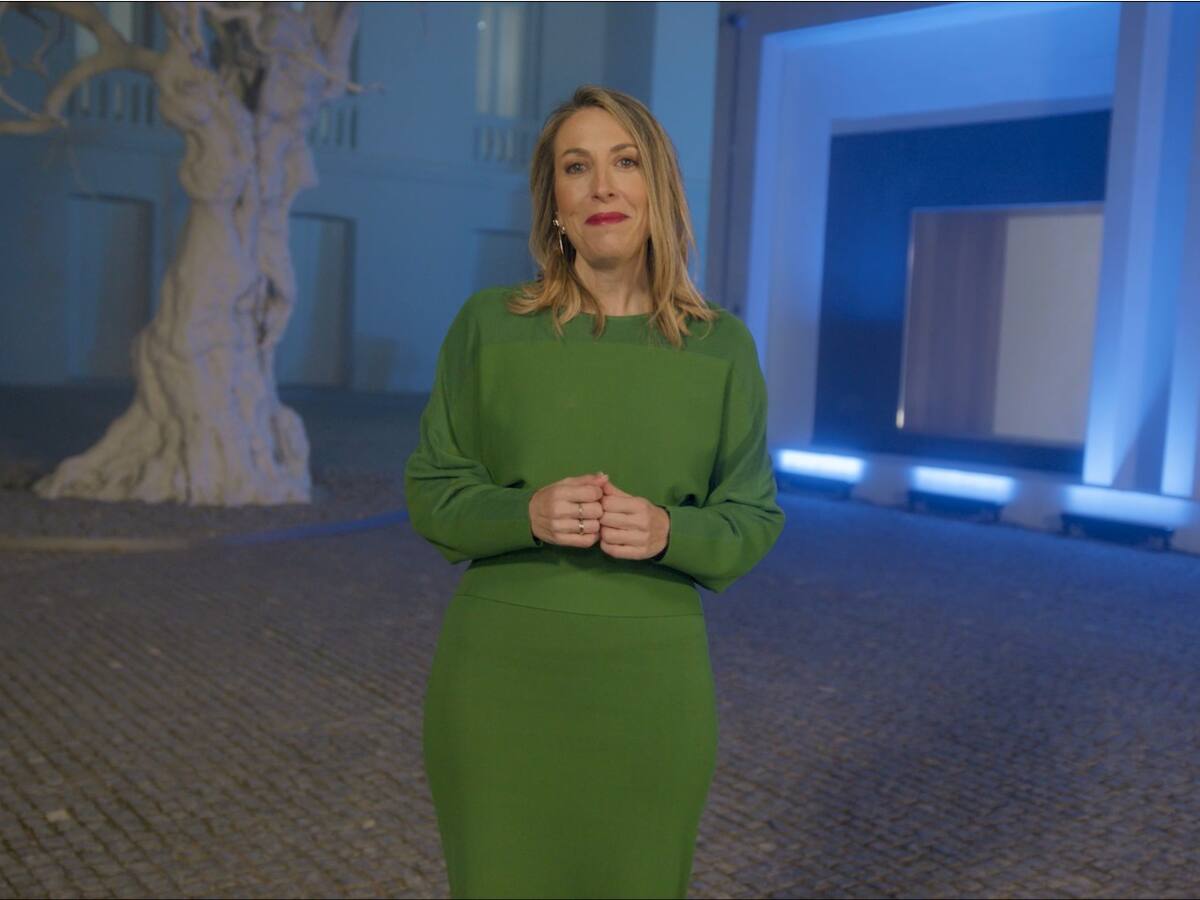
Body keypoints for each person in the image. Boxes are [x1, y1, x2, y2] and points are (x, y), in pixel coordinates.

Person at [404, 84, 785, 900]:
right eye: (576, 167)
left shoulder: (721, 348)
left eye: (625, 162)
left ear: (660, 187)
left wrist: (669, 531)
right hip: (500, 685)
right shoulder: (488, 326)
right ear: (554, 202)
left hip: (652, 687)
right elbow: (434, 491)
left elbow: (752, 515)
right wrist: (525, 512)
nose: (602, 186)